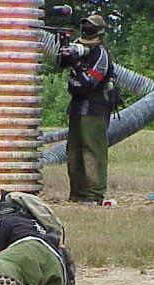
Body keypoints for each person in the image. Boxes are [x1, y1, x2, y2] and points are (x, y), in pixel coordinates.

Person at [59, 14, 114, 205]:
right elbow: (61, 64)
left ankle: (94, 195)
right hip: (77, 107)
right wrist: (64, 50)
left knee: (92, 151)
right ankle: (78, 194)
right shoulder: (80, 47)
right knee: (74, 152)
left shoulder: (101, 55)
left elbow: (89, 83)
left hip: (95, 109)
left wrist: (76, 63)